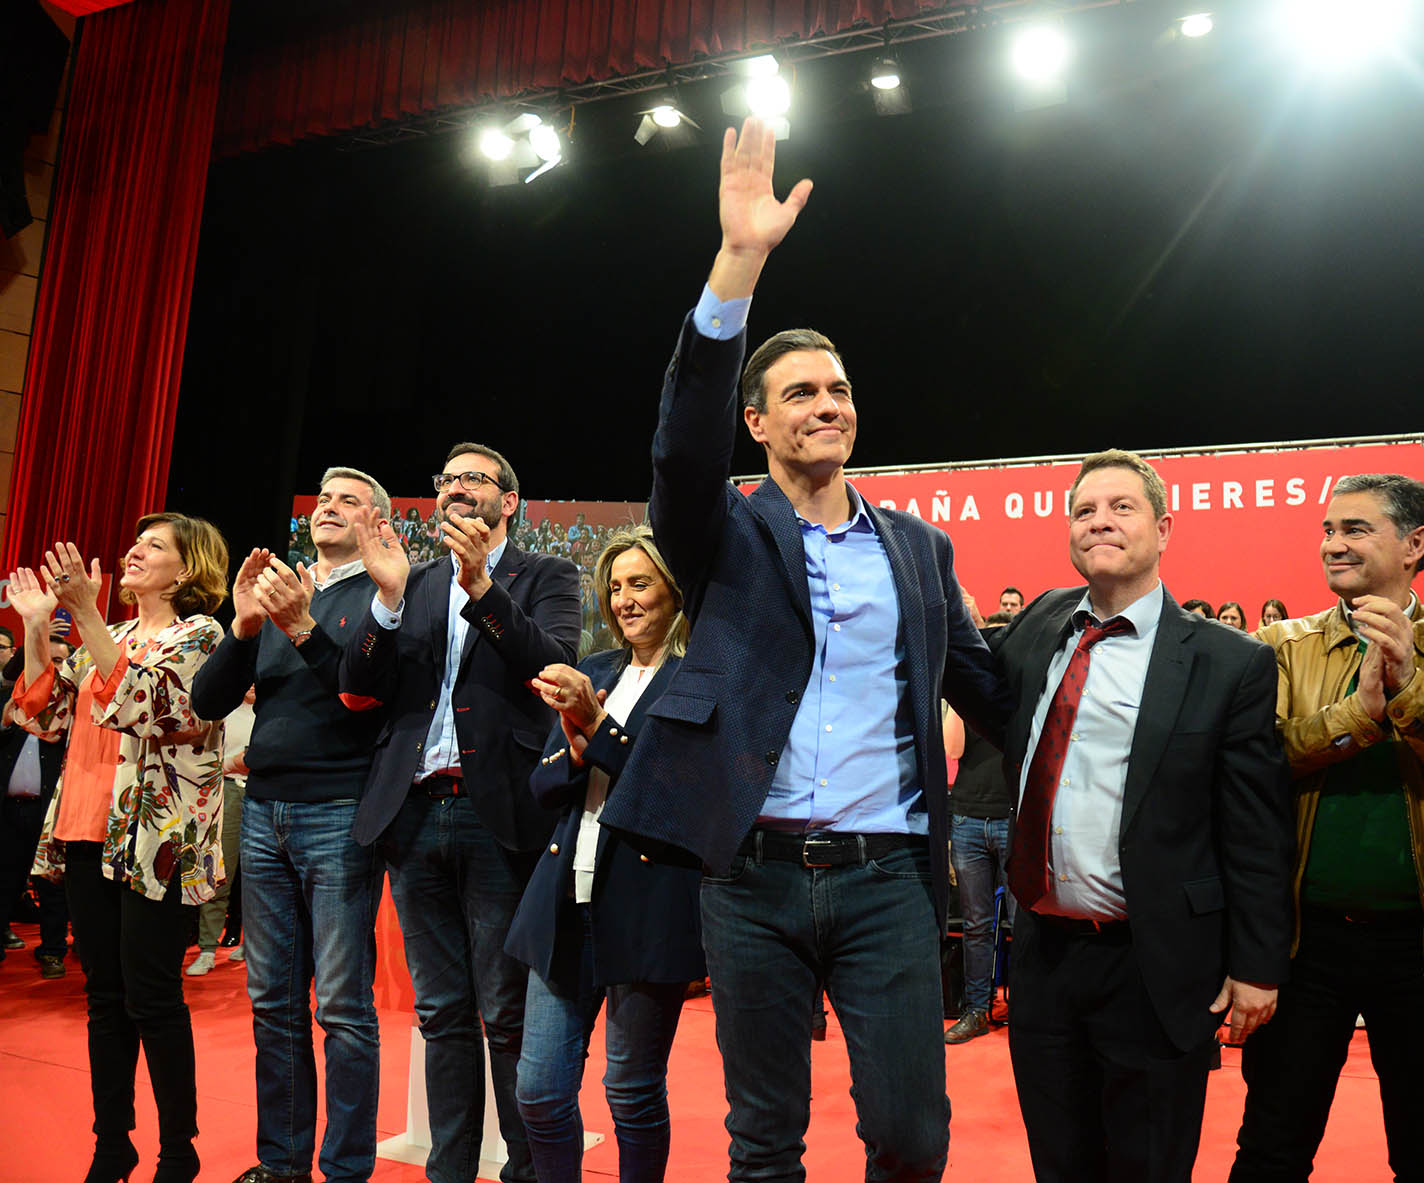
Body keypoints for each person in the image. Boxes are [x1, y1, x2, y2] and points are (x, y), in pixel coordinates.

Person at [594, 116, 1011, 1182]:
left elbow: (984, 683)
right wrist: (739, 261)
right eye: (800, 394)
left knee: (912, 1140)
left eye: (838, 391)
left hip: (887, 879)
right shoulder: (721, 528)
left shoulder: (918, 548)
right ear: (757, 422)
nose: (826, 405)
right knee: (762, 1139)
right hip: (752, 876)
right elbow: (677, 442)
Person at [990, 449, 1293, 1181]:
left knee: (1149, 1166)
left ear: (1163, 529)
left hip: (1154, 966)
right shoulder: (1037, 625)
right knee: (1060, 1165)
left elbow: (1256, 831)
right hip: (1044, 960)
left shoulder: (1229, 662)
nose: (1100, 521)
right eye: (1085, 510)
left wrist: (1257, 965)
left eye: (1121, 507)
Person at [1230, 473, 1424, 1183]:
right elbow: (1257, 766)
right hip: (1300, 946)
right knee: (1270, 1149)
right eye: (1327, 529)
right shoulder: (1276, 648)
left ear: (1416, 544)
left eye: (1354, 528)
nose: (1332, 544)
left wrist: (1412, 689)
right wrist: (1359, 718)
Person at [340, 443, 580, 1183]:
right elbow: (358, 683)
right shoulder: (409, 581)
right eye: (446, 478)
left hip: (497, 814)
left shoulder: (547, 575)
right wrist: (384, 600)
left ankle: (528, 1169)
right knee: (441, 1012)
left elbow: (552, 662)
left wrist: (482, 588)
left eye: (474, 478)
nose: (455, 488)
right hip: (413, 812)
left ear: (509, 500)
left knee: (505, 1014)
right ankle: (450, 1169)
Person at [9, 513, 229, 1183]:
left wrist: (88, 614)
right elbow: (40, 715)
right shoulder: (119, 631)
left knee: (152, 998)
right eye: (135, 544)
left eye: (152, 546)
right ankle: (113, 1143)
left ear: (187, 568)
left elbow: (144, 703)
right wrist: (35, 626)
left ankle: (178, 1149)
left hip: (153, 841)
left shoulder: (203, 635)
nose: (134, 552)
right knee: (104, 997)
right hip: (83, 827)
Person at [192, 466, 393, 1183]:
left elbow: (362, 698)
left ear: (376, 522)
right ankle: (281, 1165)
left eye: (349, 499)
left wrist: (301, 625)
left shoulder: (384, 593)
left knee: (341, 1004)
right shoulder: (273, 593)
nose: (329, 507)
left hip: (338, 811)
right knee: (271, 1002)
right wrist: (246, 627)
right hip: (264, 813)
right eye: (323, 498)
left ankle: (344, 1169)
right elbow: (210, 701)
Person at [506, 526, 705, 1183]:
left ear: (675, 590)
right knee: (536, 1089)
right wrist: (578, 738)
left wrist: (598, 728)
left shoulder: (698, 679)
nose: (624, 599)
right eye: (615, 586)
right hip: (565, 901)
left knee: (632, 1089)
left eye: (640, 583)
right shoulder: (594, 671)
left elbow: (672, 793)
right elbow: (544, 785)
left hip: (648, 907)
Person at [941, 611, 1016, 1046]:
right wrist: (955, 693)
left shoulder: (1018, 693)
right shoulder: (966, 692)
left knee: (1020, 924)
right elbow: (952, 748)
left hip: (1011, 816)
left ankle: (1024, 1009)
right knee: (975, 923)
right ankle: (975, 1008)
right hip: (967, 815)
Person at [0, 636, 71, 977]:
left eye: (60, 661)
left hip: (51, 815)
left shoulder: (70, 712)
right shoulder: (10, 701)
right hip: (9, 812)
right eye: (48, 660)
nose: (53, 668)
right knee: (4, 880)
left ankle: (53, 950)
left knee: (51, 886)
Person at [185, 684, 250, 978]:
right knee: (220, 872)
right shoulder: (225, 713)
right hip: (228, 793)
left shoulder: (273, 710)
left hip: (268, 790)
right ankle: (208, 948)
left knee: (264, 877)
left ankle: (254, 943)